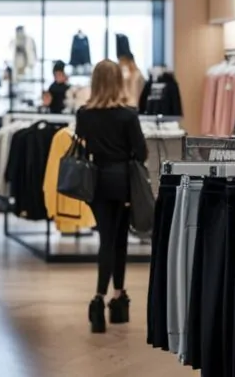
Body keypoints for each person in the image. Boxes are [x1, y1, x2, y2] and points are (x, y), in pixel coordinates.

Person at [74, 59, 147, 333]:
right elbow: (141, 152)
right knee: (118, 241)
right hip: (122, 182)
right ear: (118, 82)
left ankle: (111, 297)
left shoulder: (84, 114)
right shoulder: (128, 115)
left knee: (108, 238)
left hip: (96, 183)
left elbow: (82, 144)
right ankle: (107, 298)